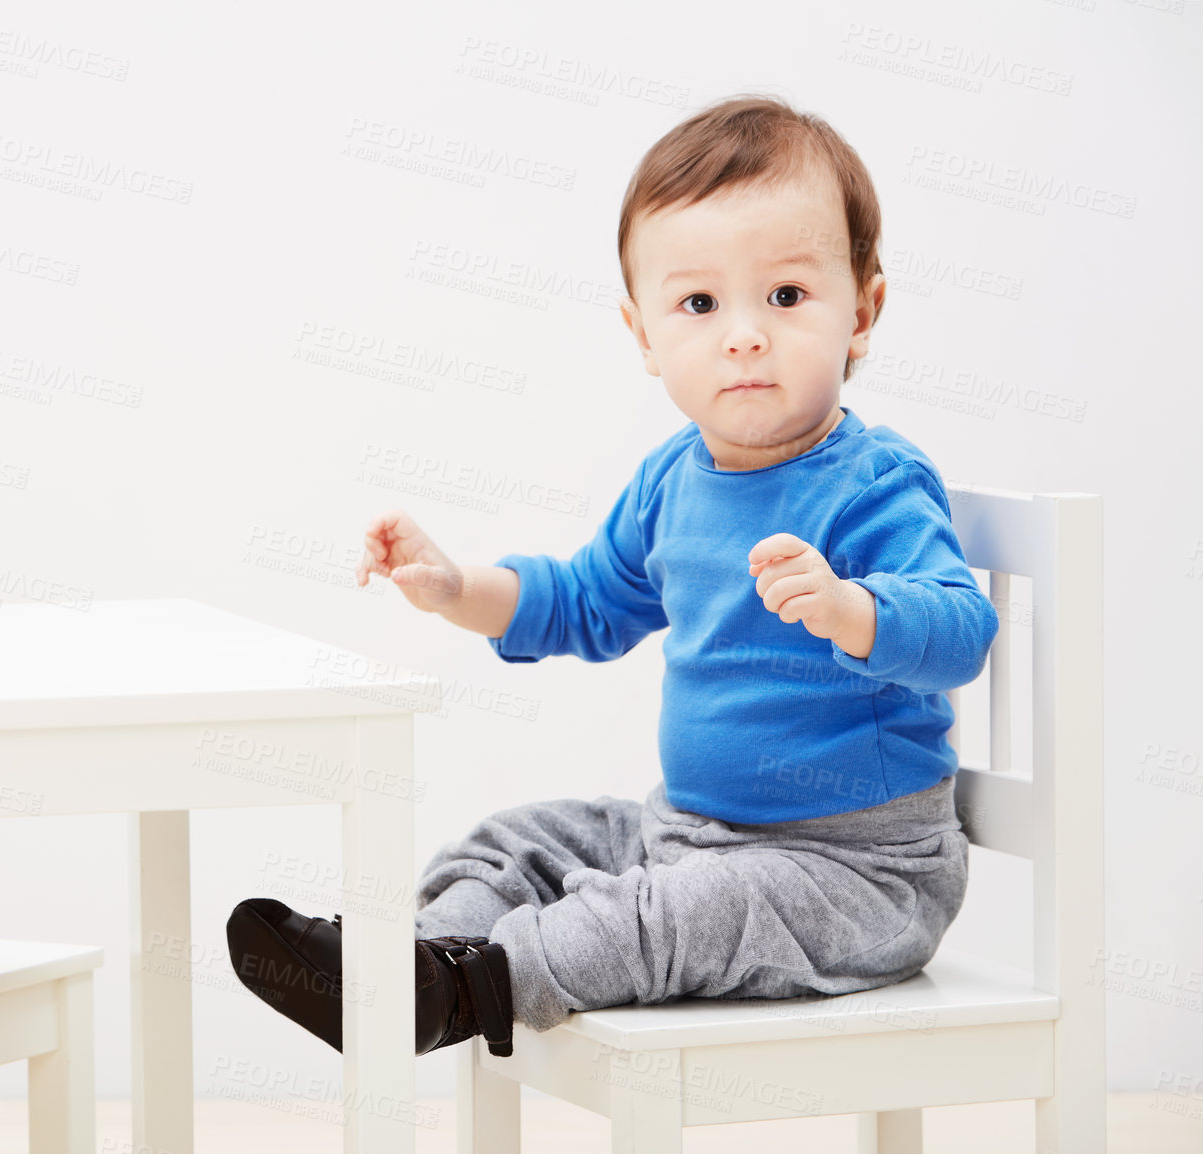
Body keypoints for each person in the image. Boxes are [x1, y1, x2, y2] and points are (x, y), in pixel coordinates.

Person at [227, 91, 997, 1058]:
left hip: (853, 876)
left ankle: (465, 989)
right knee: (515, 841)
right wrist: (457, 585)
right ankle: (409, 967)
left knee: (666, 917)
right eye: (700, 303)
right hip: (690, 829)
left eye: (787, 297)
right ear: (643, 335)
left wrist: (855, 610)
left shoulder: (874, 482)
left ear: (863, 311)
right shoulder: (674, 479)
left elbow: (962, 631)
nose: (744, 334)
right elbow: (585, 601)